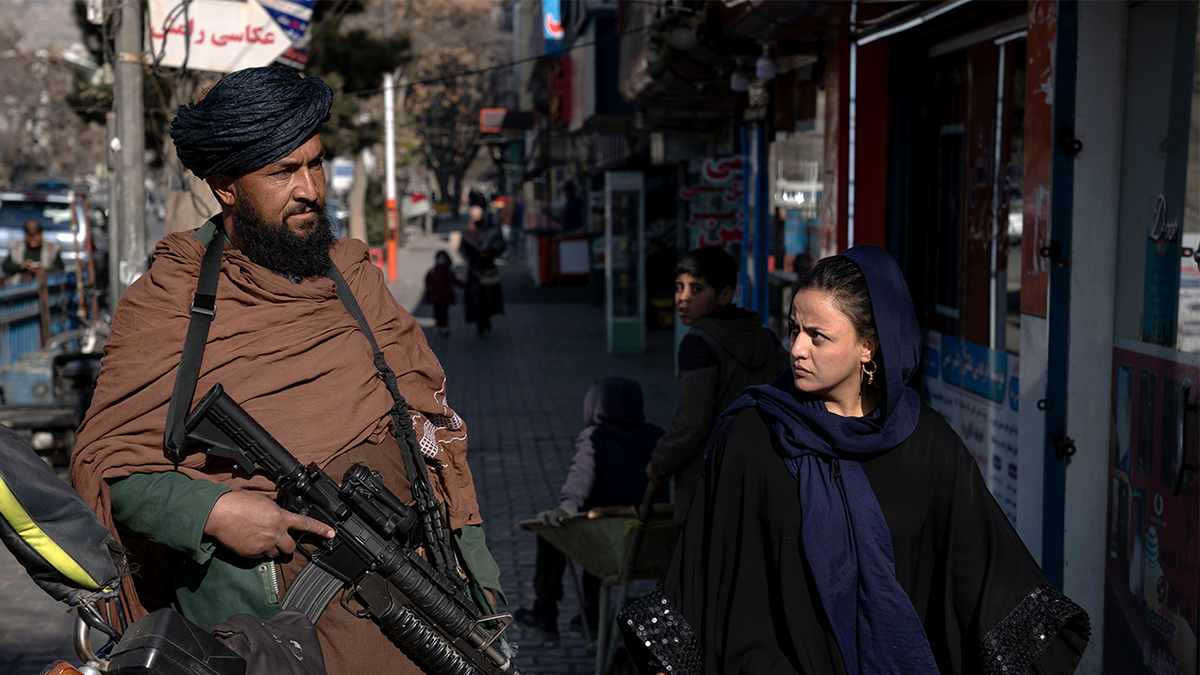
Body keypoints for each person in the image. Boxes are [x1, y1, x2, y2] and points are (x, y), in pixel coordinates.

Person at [69, 67, 506, 675]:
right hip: (271, 641)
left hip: (408, 615)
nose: (310, 189)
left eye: (315, 164)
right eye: (282, 172)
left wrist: (483, 596)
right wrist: (214, 513)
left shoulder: (351, 279)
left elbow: (435, 442)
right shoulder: (170, 301)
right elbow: (112, 467)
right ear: (226, 187)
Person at [620, 246, 1090, 674]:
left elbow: (984, 570)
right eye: (793, 329)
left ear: (870, 345)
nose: (797, 349)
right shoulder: (753, 435)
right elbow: (702, 567)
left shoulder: (927, 445)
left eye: (818, 336)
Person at [512, 377, 667, 642]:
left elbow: (581, 476)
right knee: (598, 537)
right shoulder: (657, 435)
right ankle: (593, 616)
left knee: (554, 530)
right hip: (649, 536)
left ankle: (545, 612)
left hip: (606, 534)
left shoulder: (595, 436)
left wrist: (567, 506)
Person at [645, 246, 788, 525]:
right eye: (679, 287)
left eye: (696, 289)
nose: (683, 297)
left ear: (724, 295)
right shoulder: (765, 336)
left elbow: (692, 421)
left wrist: (659, 463)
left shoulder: (698, 342)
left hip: (708, 477)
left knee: (701, 564)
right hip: (761, 472)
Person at [460, 205, 505, 337]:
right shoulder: (466, 233)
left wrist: (489, 253)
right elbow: (464, 252)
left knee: (489, 299)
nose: (476, 220)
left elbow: (500, 247)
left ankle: (486, 321)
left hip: (489, 271)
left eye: (478, 217)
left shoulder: (489, 232)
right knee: (475, 300)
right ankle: (479, 324)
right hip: (474, 272)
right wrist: (475, 256)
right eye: (473, 217)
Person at [4, 219, 64, 283]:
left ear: (40, 234)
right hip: (20, 284)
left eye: (35, 238)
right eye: (30, 238)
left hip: (44, 284)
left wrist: (43, 270)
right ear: (25, 235)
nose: (33, 241)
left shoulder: (51, 248)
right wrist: (21, 266)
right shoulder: (17, 247)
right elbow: (6, 267)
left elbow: (60, 269)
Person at [424, 249, 465, 337]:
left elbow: (455, 281)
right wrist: (429, 287)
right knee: (437, 311)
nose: (441, 259)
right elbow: (427, 280)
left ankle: (444, 326)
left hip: (446, 295)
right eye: (440, 257)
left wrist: (466, 286)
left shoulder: (448, 271)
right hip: (435, 295)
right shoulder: (433, 270)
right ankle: (438, 324)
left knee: (444, 311)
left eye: (443, 257)